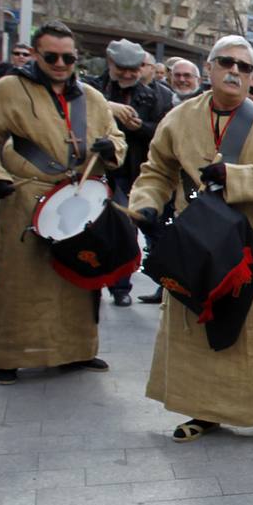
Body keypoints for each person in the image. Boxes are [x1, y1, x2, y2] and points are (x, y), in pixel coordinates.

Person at [129, 36, 253, 453]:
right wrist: (146, 205)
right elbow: (156, 170)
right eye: (226, 62)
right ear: (208, 67)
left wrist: (236, 177)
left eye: (244, 67)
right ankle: (202, 410)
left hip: (249, 245)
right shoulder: (179, 117)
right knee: (196, 331)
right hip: (196, 242)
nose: (235, 72)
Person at [0, 21, 126, 384]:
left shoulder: (91, 97)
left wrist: (110, 148)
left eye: (68, 57)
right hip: (23, 197)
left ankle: (77, 350)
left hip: (75, 201)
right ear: (35, 54)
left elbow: (115, 137)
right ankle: (6, 356)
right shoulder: (9, 89)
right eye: (51, 56)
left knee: (77, 281)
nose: (60, 63)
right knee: (20, 282)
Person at [88, 39, 174, 306]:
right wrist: (106, 107)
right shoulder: (91, 90)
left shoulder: (158, 95)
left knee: (135, 227)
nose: (127, 74)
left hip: (136, 172)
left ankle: (127, 285)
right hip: (95, 171)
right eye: (122, 68)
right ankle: (92, 280)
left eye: (133, 69)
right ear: (110, 64)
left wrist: (139, 127)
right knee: (91, 229)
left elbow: (162, 135)